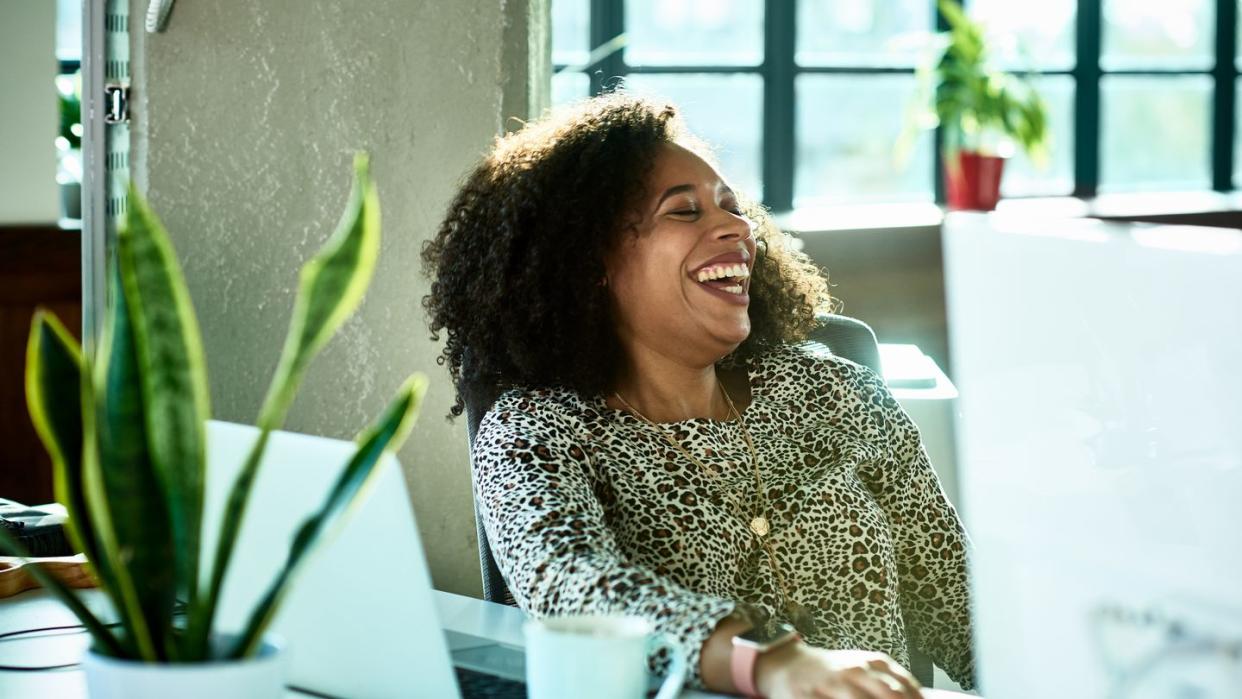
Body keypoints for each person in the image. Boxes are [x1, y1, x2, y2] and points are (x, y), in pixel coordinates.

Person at [422, 92, 974, 698]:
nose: (737, 228)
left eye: (733, 208)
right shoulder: (534, 434)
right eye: (683, 212)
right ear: (588, 262)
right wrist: (768, 665)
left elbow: (960, 600)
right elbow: (575, 590)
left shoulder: (834, 389)